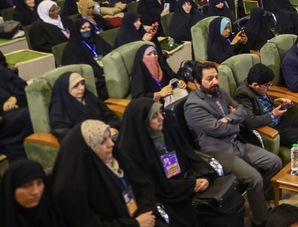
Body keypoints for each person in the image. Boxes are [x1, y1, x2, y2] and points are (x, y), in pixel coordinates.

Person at [184, 61, 282, 227]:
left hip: (238, 142)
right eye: (209, 79)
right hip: (218, 151)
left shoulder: (220, 92)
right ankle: (261, 220)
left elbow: (242, 111)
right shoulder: (193, 106)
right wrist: (233, 122)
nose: (215, 81)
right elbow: (217, 129)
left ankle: (260, 201)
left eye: (216, 77)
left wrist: (228, 119)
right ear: (197, 82)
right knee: (255, 178)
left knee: (275, 162)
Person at [118, 99, 242, 227]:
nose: (161, 119)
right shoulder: (133, 151)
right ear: (142, 121)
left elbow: (188, 153)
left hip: (188, 181)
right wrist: (191, 184)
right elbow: (156, 187)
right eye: (154, 117)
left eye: (161, 113)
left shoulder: (166, 128)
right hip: (168, 197)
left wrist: (204, 176)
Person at [50, 120, 165, 227]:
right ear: (90, 147)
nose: (111, 144)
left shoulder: (114, 157)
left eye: (110, 137)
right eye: (103, 141)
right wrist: (135, 223)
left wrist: (146, 214)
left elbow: (143, 186)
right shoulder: (70, 188)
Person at [234, 63, 298, 150]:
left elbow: (262, 103)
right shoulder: (243, 94)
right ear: (255, 85)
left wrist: (275, 102)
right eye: (267, 86)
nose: (269, 88)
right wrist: (273, 115)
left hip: (281, 119)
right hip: (273, 128)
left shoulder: (258, 84)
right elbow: (250, 121)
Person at [0, 159, 68, 227]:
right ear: (12, 188)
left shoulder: (50, 211)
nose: (36, 191)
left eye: (39, 183)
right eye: (26, 186)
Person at [0, 48, 33, 161]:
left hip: (18, 106)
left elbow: (21, 85)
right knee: (30, 114)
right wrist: (3, 107)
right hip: (0, 118)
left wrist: (14, 98)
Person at [49, 71, 120, 142]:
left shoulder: (89, 96)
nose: (82, 88)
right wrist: (100, 134)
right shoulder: (59, 108)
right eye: (76, 86)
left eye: (82, 83)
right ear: (66, 89)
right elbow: (66, 134)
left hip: (109, 135)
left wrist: (111, 127)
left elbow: (109, 115)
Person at [61, 18, 112, 100]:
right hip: (94, 78)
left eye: (89, 27)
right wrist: (100, 73)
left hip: (108, 71)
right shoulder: (72, 48)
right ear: (77, 30)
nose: (87, 30)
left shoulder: (97, 40)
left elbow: (111, 54)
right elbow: (80, 68)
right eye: (83, 28)